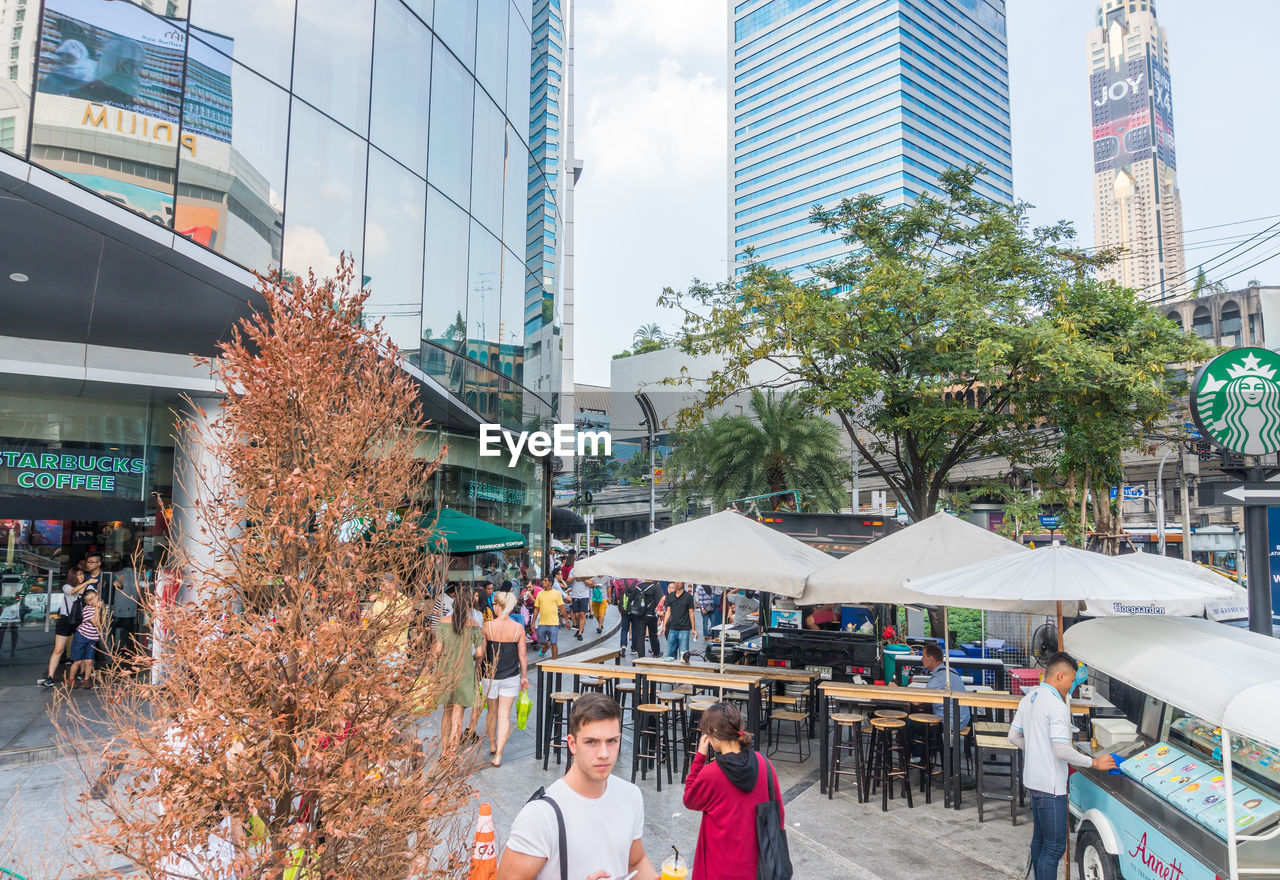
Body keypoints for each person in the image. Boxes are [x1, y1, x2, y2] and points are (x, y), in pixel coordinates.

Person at [498, 693, 657, 880]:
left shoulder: (631, 795)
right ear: (572, 744)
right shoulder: (540, 816)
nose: (604, 753)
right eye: (591, 742)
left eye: (612, 741)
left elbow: (636, 861)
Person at [1009, 651, 1116, 880]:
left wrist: (1037, 750)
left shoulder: (1030, 698)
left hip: (1034, 782)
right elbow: (1061, 750)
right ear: (1060, 676)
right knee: (1054, 847)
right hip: (1051, 788)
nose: (1072, 686)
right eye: (1072, 680)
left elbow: (1013, 737)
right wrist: (1094, 762)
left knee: (1040, 841)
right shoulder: (1056, 706)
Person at [682, 702, 784, 880]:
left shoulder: (712, 773)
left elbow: (689, 799)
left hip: (718, 866)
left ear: (712, 732)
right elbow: (779, 813)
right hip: (758, 867)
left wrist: (700, 757)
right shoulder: (764, 763)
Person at [482, 592, 529, 767]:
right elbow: (522, 655)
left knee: (491, 712)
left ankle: (493, 744)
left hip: (490, 676)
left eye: (494, 604)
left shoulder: (488, 626)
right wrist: (524, 676)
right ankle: (499, 756)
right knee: (504, 716)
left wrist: (477, 672)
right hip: (511, 676)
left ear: (498, 606)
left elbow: (481, 654)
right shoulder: (518, 628)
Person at [436, 587, 485, 752]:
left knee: (446, 713)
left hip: (446, 671)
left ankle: (444, 751)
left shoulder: (443, 623)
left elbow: (437, 650)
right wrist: (471, 658)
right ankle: (452, 753)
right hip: (465, 673)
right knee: (458, 714)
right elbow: (479, 653)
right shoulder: (474, 625)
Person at [40, 566, 87, 687]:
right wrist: (89, 582)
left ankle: (82, 674)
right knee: (59, 649)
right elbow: (73, 591)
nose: (80, 577)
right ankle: (50, 677)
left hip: (81, 620)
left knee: (81, 648)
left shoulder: (88, 587)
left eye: (82, 574)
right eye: (77, 575)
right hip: (66, 620)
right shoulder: (66, 587)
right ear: (72, 577)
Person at [918, 643, 970, 732]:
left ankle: (921, 745)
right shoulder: (949, 671)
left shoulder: (940, 677)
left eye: (923, 656)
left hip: (951, 722)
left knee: (911, 724)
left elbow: (917, 701)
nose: (921, 659)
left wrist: (899, 692)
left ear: (931, 658)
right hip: (962, 719)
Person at [69, 588, 106, 689]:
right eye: (89, 600)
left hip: (93, 638)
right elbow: (96, 623)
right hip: (81, 636)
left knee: (89, 661)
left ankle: (86, 680)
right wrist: (98, 609)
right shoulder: (87, 610)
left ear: (97, 596)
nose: (92, 601)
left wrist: (100, 609)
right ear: (86, 602)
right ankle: (71, 680)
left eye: (93, 598)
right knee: (78, 661)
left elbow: (103, 623)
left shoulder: (101, 608)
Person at [625, 579, 661, 658]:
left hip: (640, 615)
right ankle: (656, 653)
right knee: (653, 635)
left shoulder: (639, 587)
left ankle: (641, 656)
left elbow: (631, 598)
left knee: (640, 636)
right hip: (651, 615)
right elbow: (659, 601)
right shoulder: (655, 587)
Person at [661, 581, 697, 661]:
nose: (677, 583)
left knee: (684, 656)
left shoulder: (688, 597)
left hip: (684, 629)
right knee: (669, 656)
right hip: (672, 628)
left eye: (679, 582)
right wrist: (664, 626)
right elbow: (668, 611)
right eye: (675, 582)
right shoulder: (670, 596)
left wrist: (693, 628)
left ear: (683, 583)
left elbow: (691, 613)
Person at [534, 577, 565, 659]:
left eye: (545, 581)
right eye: (543, 580)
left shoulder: (557, 593)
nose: (542, 582)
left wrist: (567, 620)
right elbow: (536, 608)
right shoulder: (540, 594)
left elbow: (562, 607)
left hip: (553, 623)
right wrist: (533, 622)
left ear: (550, 583)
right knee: (540, 641)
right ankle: (547, 645)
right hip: (542, 622)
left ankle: (554, 661)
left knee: (554, 643)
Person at [567, 569, 592, 642]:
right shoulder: (573, 570)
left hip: (584, 596)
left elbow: (591, 584)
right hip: (575, 595)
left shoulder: (588, 571)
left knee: (582, 614)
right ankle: (580, 628)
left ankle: (580, 633)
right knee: (577, 615)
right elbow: (568, 581)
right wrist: (575, 576)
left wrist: (583, 579)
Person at [615, 577, 637, 657]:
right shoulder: (638, 582)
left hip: (625, 609)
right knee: (635, 629)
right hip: (635, 609)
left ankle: (623, 645)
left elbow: (617, 593)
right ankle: (634, 648)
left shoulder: (622, 581)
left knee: (624, 629)